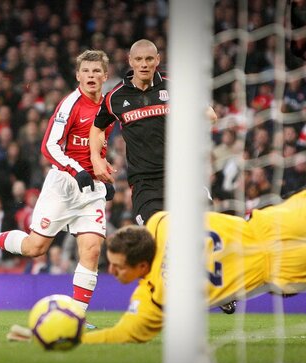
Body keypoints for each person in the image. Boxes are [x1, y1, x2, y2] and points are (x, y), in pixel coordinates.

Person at [79, 139, 306, 343]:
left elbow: (120, 334)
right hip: (274, 224)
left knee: (286, 277)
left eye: (117, 266)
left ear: (141, 266)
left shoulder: (155, 295)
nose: (112, 270)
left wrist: (67, 336)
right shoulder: (161, 222)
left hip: (287, 270)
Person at [0, 50, 114, 321]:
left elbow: (98, 148)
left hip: (91, 188)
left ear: (106, 75)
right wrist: (77, 170)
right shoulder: (70, 105)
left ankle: (76, 319)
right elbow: (49, 146)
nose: (91, 76)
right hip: (64, 183)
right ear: (78, 75)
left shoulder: (108, 107)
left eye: (96, 71)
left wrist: (104, 173)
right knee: (36, 248)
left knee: (92, 250)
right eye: (86, 71)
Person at [90, 39, 217, 225]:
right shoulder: (115, 97)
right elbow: (97, 128)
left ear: (157, 60)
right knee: (157, 235)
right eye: (139, 59)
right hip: (144, 183)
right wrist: (96, 158)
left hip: (182, 173)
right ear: (130, 61)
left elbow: (210, 116)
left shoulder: (175, 86)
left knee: (206, 228)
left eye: (149, 59)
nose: (144, 64)